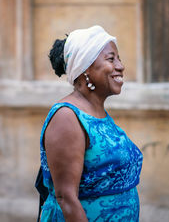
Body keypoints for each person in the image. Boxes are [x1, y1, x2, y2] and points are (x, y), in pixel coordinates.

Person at [38, 25, 143, 221]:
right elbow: (66, 198)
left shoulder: (97, 112)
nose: (120, 66)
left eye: (119, 59)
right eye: (111, 59)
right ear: (85, 68)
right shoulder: (67, 117)